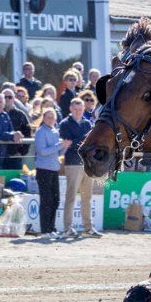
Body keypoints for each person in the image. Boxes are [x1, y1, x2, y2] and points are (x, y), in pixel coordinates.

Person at [59, 97, 98, 238]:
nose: (78, 111)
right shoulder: (64, 124)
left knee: (87, 197)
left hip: (87, 163)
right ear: (70, 109)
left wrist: (78, 141)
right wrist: (83, 141)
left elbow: (88, 142)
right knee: (71, 197)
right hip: (73, 163)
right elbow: (68, 143)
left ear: (83, 109)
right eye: (75, 109)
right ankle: (67, 228)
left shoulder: (87, 123)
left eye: (80, 109)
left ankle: (88, 228)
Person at [33, 108, 62, 237]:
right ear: (44, 118)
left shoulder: (55, 131)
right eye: (48, 117)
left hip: (54, 169)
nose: (51, 119)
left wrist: (65, 146)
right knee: (47, 200)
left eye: (53, 117)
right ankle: (45, 230)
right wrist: (60, 145)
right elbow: (42, 151)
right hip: (44, 170)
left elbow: (58, 152)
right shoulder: (40, 132)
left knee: (55, 200)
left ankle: (51, 228)